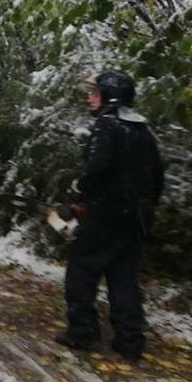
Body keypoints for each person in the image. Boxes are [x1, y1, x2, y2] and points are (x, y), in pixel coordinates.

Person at [55, 71, 164, 361]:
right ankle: (130, 340)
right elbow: (157, 178)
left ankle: (83, 332)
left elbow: (97, 167)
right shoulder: (143, 131)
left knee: (81, 269)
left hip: (103, 214)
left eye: (95, 93)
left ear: (109, 96)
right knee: (123, 278)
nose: (90, 97)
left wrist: (79, 187)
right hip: (134, 219)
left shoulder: (106, 125)